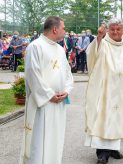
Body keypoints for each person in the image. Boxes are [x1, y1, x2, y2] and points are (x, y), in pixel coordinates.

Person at [85, 18, 123, 164]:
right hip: (105, 90)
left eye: (118, 29)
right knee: (103, 119)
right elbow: (92, 54)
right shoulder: (103, 43)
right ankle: (102, 153)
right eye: (112, 29)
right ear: (108, 30)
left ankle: (113, 149)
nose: (115, 32)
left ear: (122, 30)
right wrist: (99, 37)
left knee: (119, 119)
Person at [20, 16, 74, 164]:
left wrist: (67, 90)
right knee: (39, 142)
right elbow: (33, 75)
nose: (65, 31)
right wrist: (49, 95)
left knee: (55, 141)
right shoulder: (35, 46)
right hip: (42, 104)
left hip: (59, 103)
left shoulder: (60, 49)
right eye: (63, 28)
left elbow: (68, 73)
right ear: (55, 29)